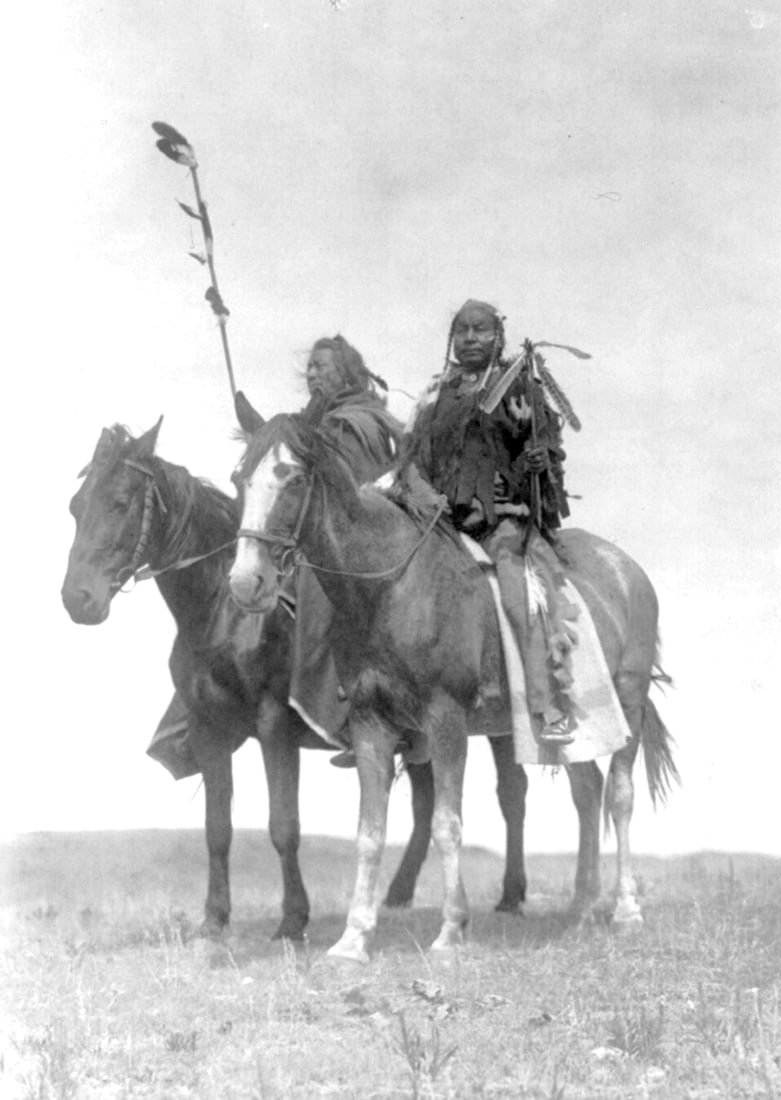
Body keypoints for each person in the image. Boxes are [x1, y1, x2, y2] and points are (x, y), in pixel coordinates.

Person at [148, 334, 402, 776]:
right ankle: (198, 707)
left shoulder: (364, 419)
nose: (313, 373)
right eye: (310, 367)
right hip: (299, 536)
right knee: (226, 600)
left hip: (352, 538)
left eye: (323, 366)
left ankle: (351, 711)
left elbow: (354, 485)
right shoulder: (305, 423)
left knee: (320, 595)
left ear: (349, 371)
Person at [402, 299, 577, 745]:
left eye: (480, 330)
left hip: (500, 519)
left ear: (497, 335)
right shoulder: (435, 396)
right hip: (442, 519)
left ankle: (545, 704)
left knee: (517, 594)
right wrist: (426, 497)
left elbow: (545, 449)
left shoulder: (517, 386)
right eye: (462, 330)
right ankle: (396, 715)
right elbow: (414, 460)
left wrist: (536, 463)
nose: (471, 338)